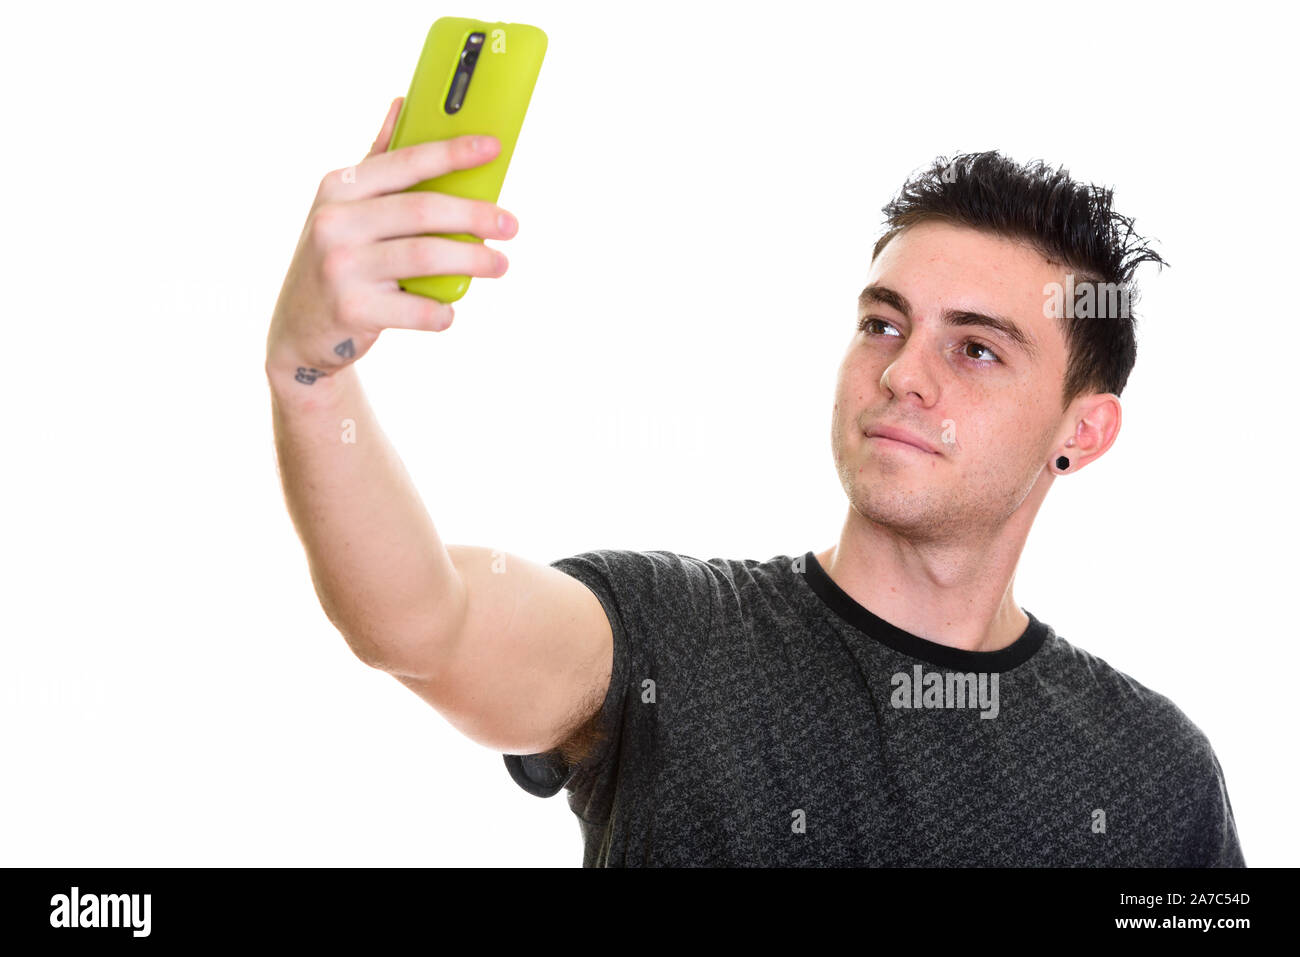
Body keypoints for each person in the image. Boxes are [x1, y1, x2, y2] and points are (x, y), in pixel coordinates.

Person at [266, 98, 1245, 867]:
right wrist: (312, 378)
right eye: (883, 323)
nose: (904, 373)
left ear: (1084, 430)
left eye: (978, 350)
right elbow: (421, 621)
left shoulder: (1156, 774)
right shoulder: (670, 636)